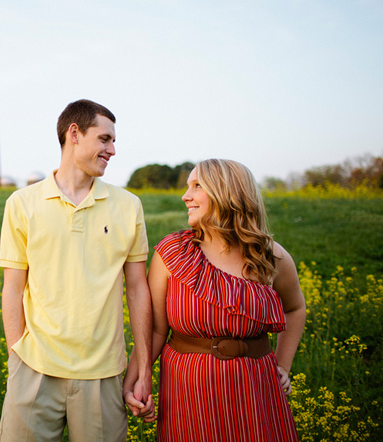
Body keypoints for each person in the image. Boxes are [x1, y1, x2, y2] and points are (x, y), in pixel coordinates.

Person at [0, 99, 153, 441]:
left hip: (103, 373)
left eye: (112, 141)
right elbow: (12, 287)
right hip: (34, 369)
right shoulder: (21, 204)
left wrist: (143, 367)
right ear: (74, 134)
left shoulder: (129, 206)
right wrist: (16, 357)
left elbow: (138, 288)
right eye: (105, 139)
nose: (112, 149)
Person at [125, 159, 306, 441]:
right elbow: (156, 330)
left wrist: (283, 366)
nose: (186, 196)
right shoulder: (172, 254)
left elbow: (295, 308)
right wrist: (134, 380)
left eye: (197, 186)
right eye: (188, 186)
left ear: (227, 193)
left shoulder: (270, 256)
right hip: (189, 392)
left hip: (257, 392)